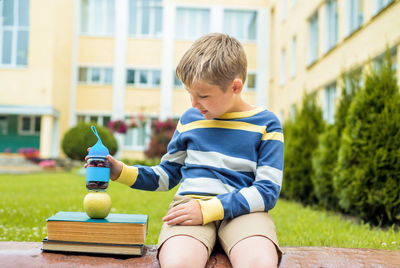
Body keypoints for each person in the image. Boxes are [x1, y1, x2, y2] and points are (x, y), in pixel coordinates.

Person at [102, 33, 284, 268]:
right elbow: (167, 175)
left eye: (203, 96)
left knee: (259, 262)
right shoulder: (190, 119)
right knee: (179, 262)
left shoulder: (266, 123)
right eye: (190, 94)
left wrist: (209, 209)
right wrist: (121, 172)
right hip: (189, 208)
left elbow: (267, 191)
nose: (194, 104)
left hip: (245, 213)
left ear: (235, 86)